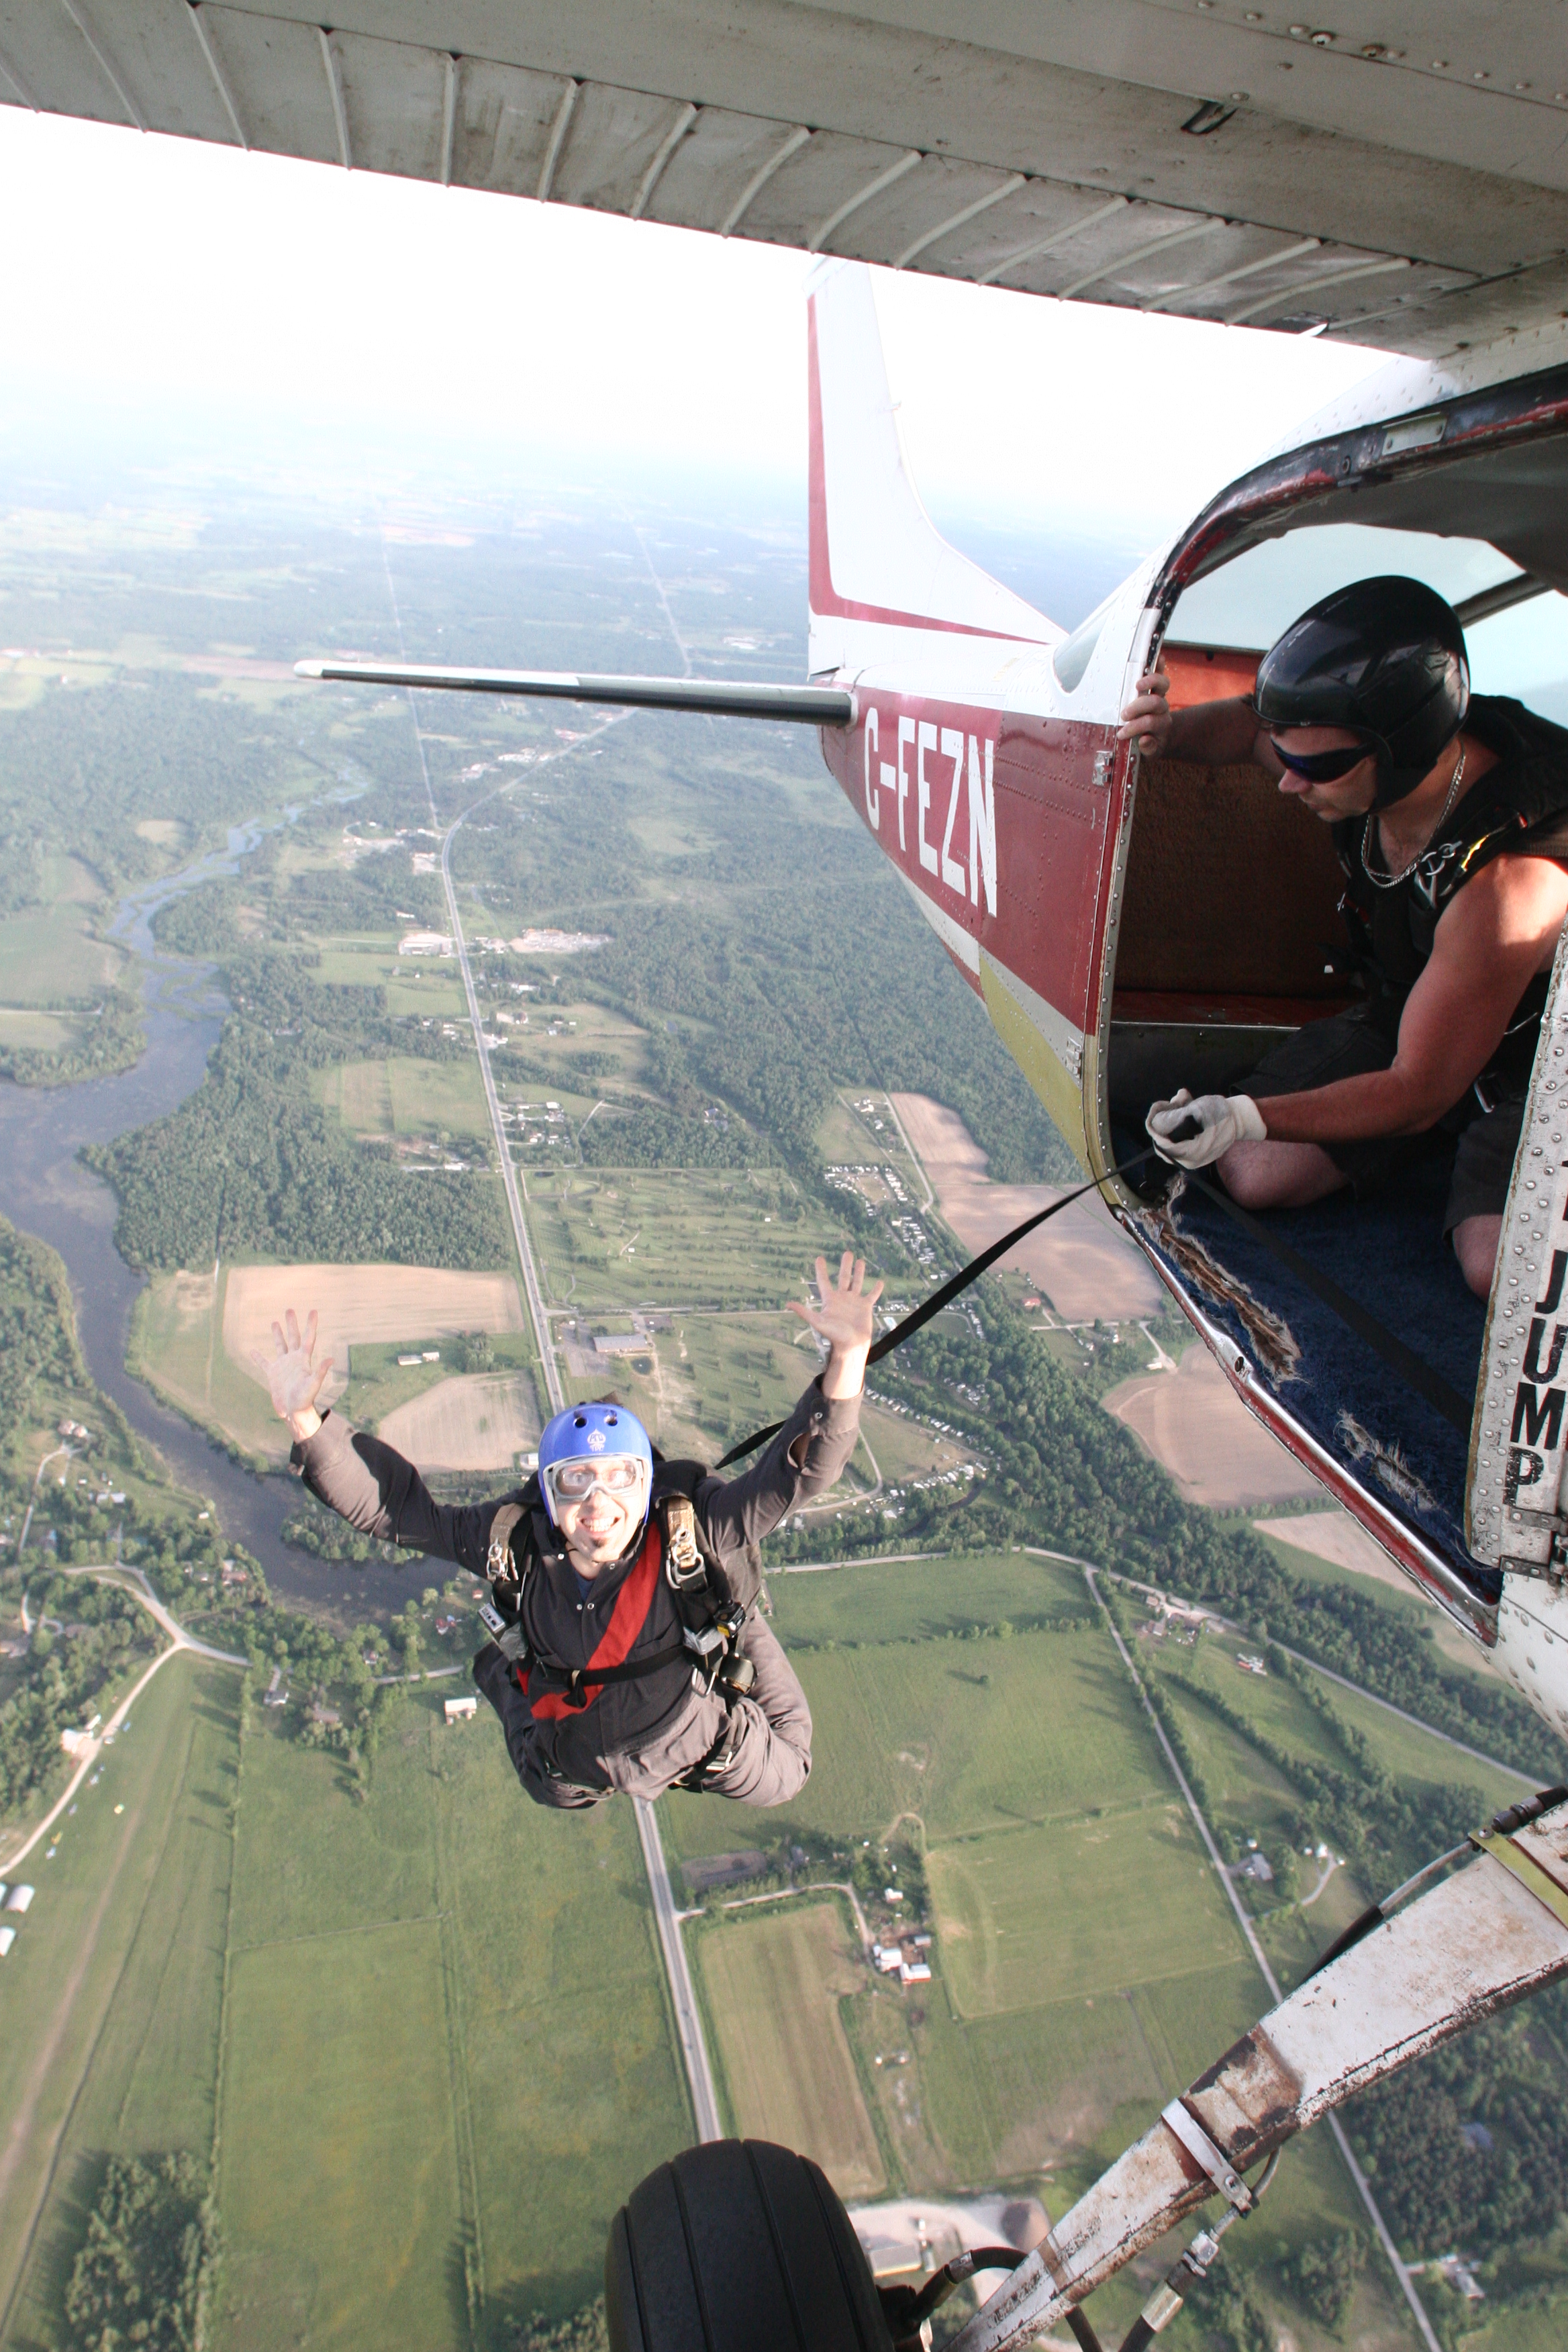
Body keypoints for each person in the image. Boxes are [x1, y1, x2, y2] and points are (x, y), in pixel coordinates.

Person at [258, 1252, 881, 1809]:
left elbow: (795, 1476)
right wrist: (308, 1423)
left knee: (787, 1761)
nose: (599, 1501)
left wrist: (847, 1359)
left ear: (649, 1484)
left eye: (618, 1478)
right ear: (547, 1493)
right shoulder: (516, 1541)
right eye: (576, 1483)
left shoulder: (687, 1530)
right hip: (566, 1766)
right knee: (534, 1730)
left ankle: (728, 1613)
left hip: (689, 1744)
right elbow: (398, 1512)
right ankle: (540, 1670)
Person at [1118, 576, 1568, 1297]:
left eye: (1311, 768)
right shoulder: (1353, 763)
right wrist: (1169, 734)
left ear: (1399, 750)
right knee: (1253, 1174)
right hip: (1420, 1009)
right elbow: (1248, 730)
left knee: (1502, 1269)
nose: (1288, 785)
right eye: (1286, 755)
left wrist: (1242, 1115)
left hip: (1538, 1061)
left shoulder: (1509, 886)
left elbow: (1416, 1088)